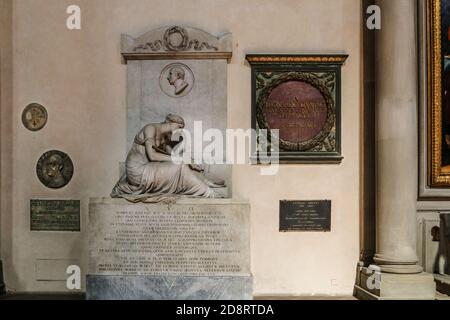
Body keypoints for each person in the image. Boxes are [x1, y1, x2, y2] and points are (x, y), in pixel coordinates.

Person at [111, 114, 224, 202]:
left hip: (149, 168)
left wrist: (190, 161)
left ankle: (205, 182)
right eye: (179, 127)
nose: (180, 131)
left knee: (184, 163)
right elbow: (152, 155)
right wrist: (182, 160)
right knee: (180, 166)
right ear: (170, 122)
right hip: (138, 171)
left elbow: (173, 157)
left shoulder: (165, 139)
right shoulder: (150, 129)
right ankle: (208, 193)